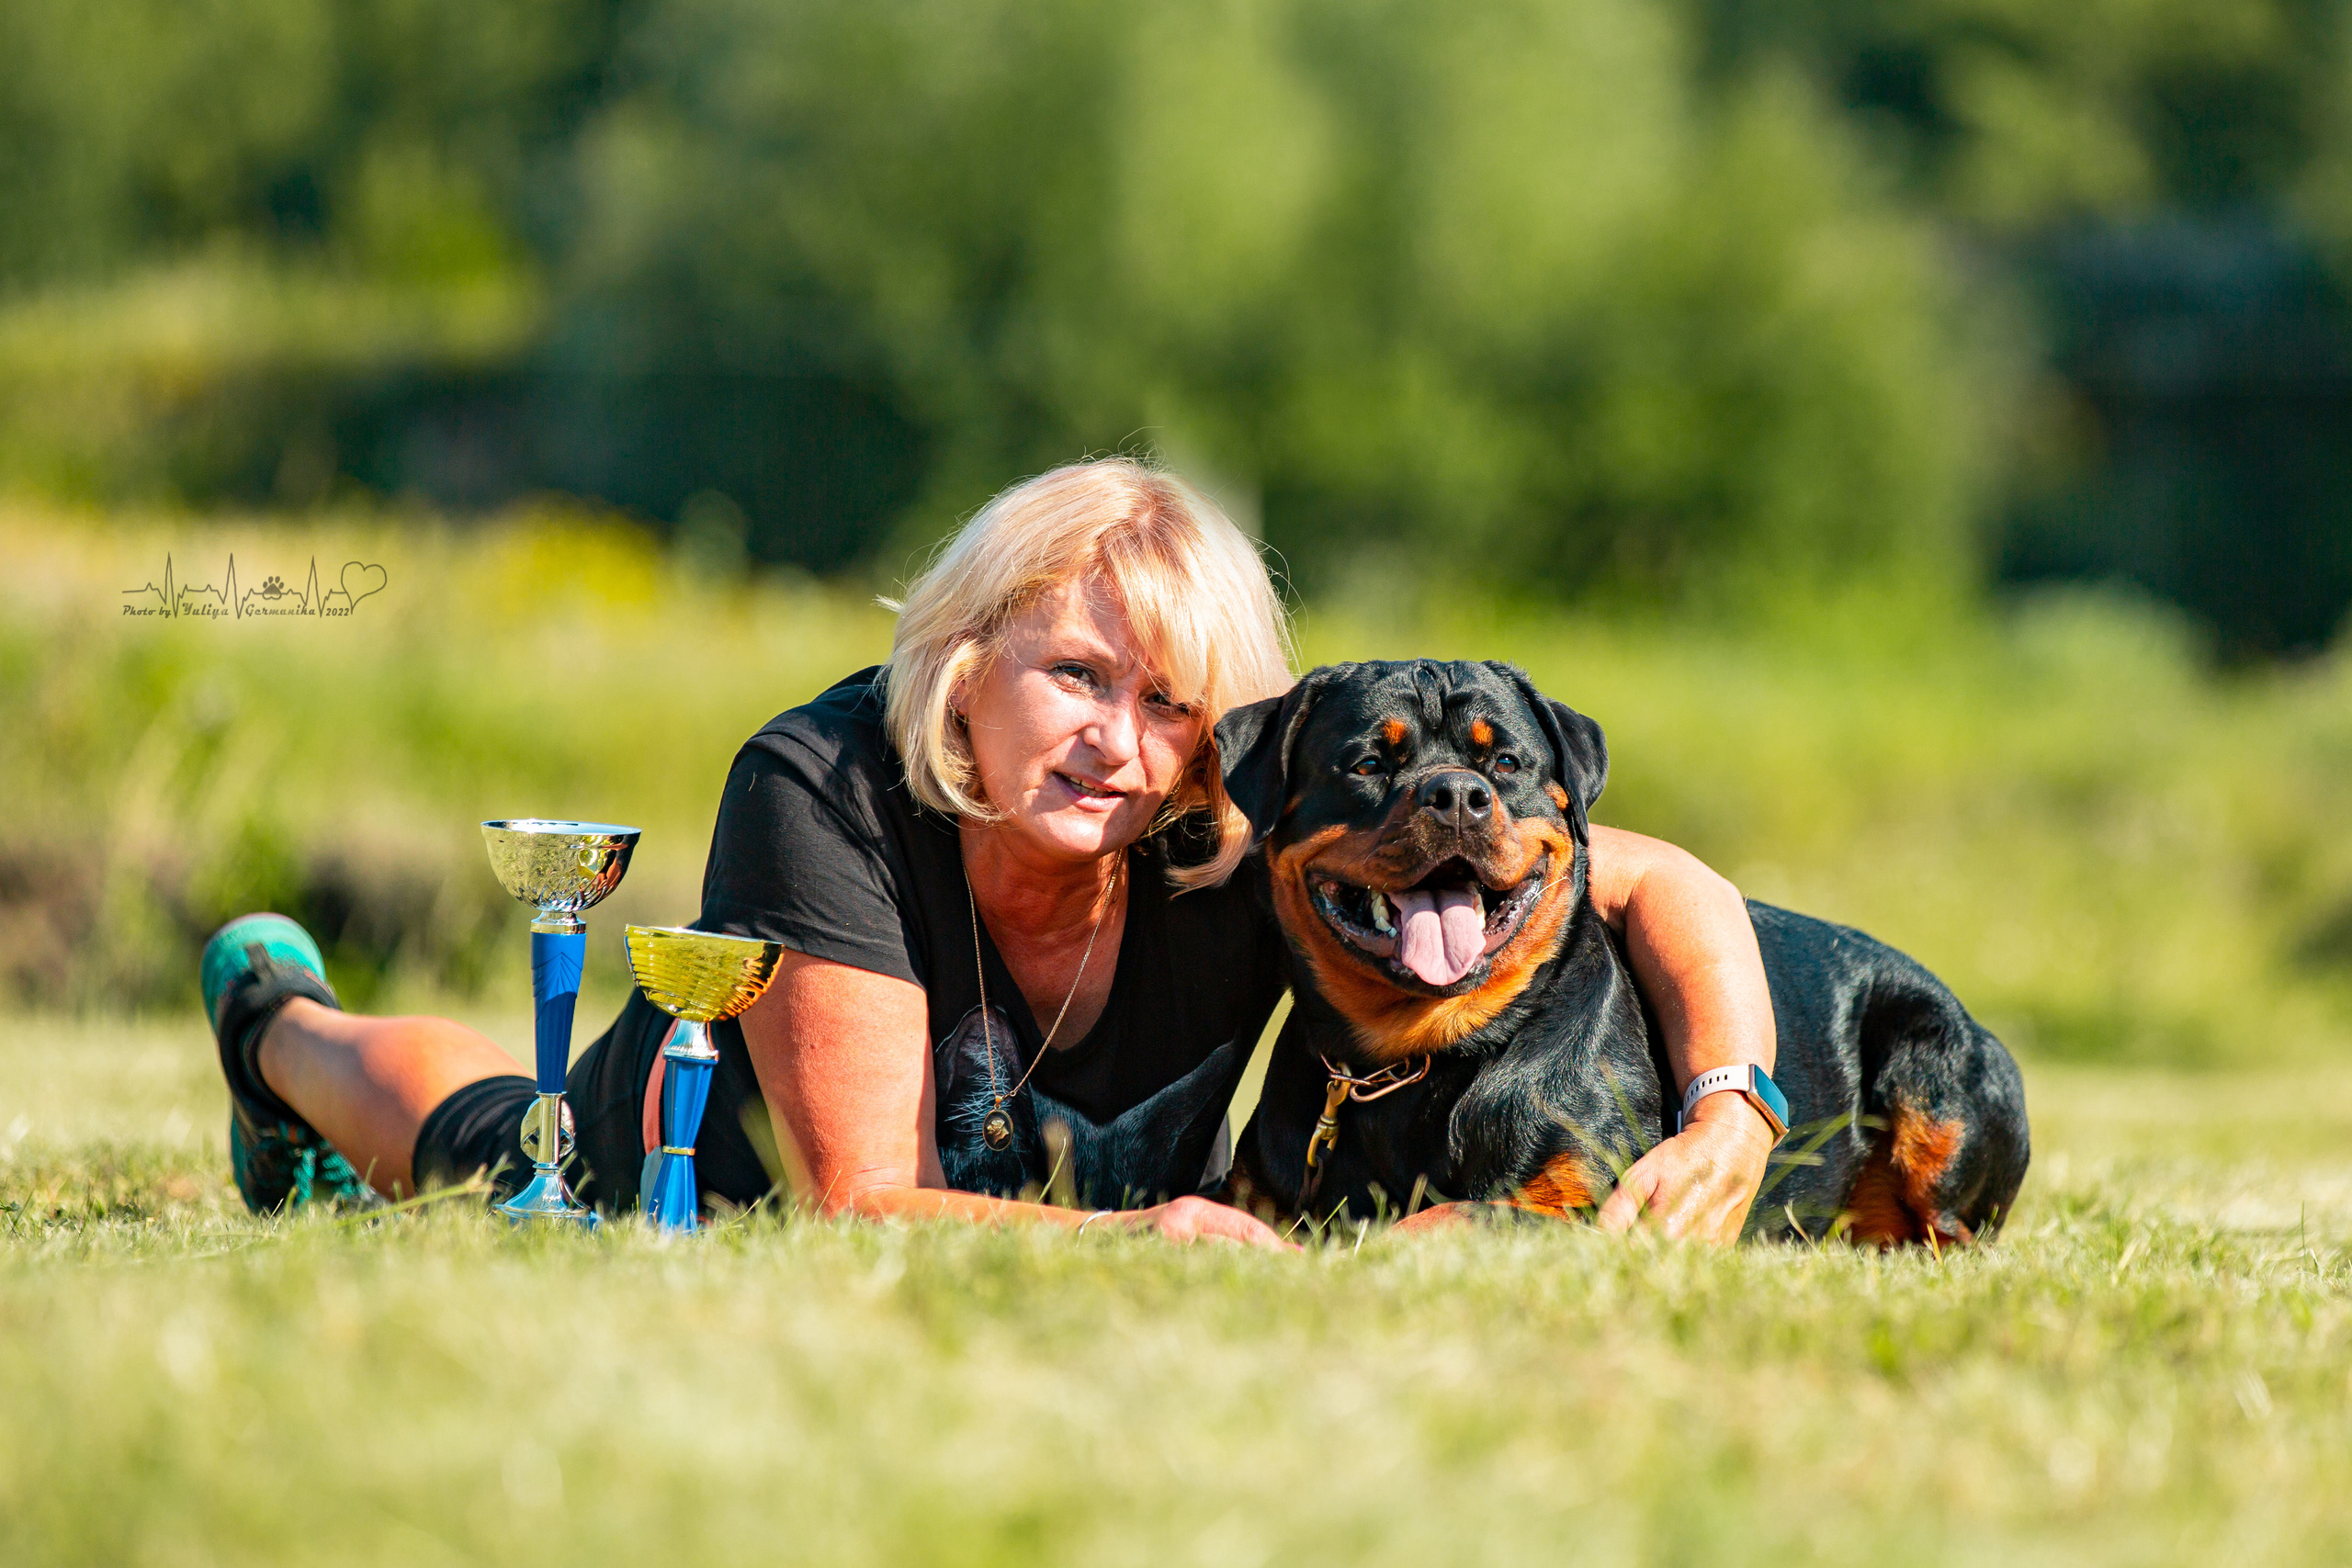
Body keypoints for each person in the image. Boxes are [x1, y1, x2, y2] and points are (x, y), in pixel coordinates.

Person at [200, 457, 1781, 1246]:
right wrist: (1140, 1246)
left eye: (1169, 702)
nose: (1119, 741)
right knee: (485, 1133)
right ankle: (276, 1024)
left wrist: (1733, 1105)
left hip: (1054, 1198)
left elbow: (1657, 879)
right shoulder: (818, 784)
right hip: (673, 1160)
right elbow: (861, 1198)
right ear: (968, 656)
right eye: (1077, 677)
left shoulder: (1253, 825)